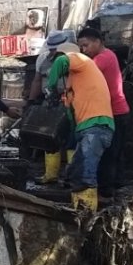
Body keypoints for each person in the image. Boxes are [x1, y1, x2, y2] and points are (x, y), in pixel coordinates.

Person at [44, 42, 114, 211]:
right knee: (75, 171)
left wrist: (50, 88)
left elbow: (61, 61)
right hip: (87, 128)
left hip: (97, 124)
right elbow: (70, 113)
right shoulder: (74, 81)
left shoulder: (81, 59)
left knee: (85, 173)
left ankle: (86, 215)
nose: (57, 63)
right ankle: (78, 210)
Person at [76, 27, 130, 203]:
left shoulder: (102, 58)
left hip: (114, 112)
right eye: (81, 47)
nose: (83, 50)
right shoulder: (108, 56)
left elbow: (83, 72)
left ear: (98, 42)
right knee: (115, 153)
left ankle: (106, 193)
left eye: (86, 45)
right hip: (115, 111)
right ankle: (116, 187)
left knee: (108, 155)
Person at [28, 29, 74, 183]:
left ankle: (70, 176)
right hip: (50, 101)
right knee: (49, 137)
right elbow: (37, 80)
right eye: (52, 48)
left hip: (68, 101)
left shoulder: (70, 59)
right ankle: (51, 174)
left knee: (70, 139)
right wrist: (32, 100)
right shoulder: (42, 59)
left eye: (57, 48)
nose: (54, 51)